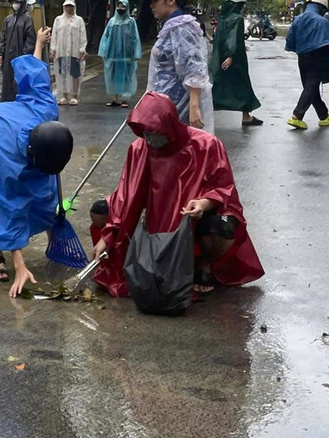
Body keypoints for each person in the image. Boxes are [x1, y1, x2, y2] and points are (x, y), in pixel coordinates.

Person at [89, 91, 262, 298]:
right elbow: (126, 195)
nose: (150, 139)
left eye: (155, 133)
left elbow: (224, 188)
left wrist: (204, 203)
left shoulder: (206, 145)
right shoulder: (140, 148)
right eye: (145, 133)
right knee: (100, 210)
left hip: (194, 215)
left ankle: (202, 264)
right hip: (153, 212)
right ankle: (138, 252)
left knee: (221, 227)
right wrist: (107, 236)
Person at [0, 27, 72, 297]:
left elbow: (34, 74)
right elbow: (11, 205)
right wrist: (20, 265)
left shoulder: (47, 110)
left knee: (45, 191)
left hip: (16, 133)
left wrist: (39, 44)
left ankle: (52, 235)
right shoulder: (5, 158)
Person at [138, 0, 213, 130]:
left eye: (156, 0)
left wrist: (194, 106)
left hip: (178, 107)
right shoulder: (170, 28)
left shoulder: (183, 29)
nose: (152, 5)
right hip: (164, 105)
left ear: (171, 0)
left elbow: (195, 68)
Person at [283, 0, 329, 129]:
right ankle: (297, 115)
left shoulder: (298, 19)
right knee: (311, 87)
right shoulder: (322, 22)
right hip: (318, 57)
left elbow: (290, 39)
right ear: (321, 7)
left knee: (311, 87)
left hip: (302, 57)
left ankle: (324, 116)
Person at [210, 0, 262, 127]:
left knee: (218, 83)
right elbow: (232, 38)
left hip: (219, 56)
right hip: (235, 58)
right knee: (243, 85)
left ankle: (205, 110)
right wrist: (231, 55)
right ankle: (246, 116)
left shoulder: (223, 18)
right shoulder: (237, 19)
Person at [97, 0, 141, 107]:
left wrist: (136, 53)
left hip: (127, 55)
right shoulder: (112, 22)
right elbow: (106, 36)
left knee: (126, 76)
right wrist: (103, 51)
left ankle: (125, 98)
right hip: (112, 54)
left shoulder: (130, 22)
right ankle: (114, 98)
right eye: (119, 6)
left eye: (123, 7)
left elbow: (135, 38)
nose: (120, 9)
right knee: (112, 76)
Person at [0, 0, 37, 103]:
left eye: (17, 2)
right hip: (8, 55)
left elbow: (30, 39)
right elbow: (3, 36)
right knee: (7, 79)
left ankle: (20, 101)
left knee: (19, 79)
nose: (15, 5)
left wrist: (25, 54)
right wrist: (0, 52)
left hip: (20, 55)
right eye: (13, 2)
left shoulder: (27, 19)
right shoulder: (8, 19)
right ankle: (7, 101)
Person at [51, 0, 87, 105]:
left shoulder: (79, 20)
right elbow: (54, 35)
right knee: (63, 73)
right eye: (67, 6)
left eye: (70, 6)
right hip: (61, 51)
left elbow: (83, 35)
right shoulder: (58, 20)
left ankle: (74, 96)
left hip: (74, 52)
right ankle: (64, 95)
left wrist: (82, 49)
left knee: (75, 74)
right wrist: (53, 49)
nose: (68, 8)